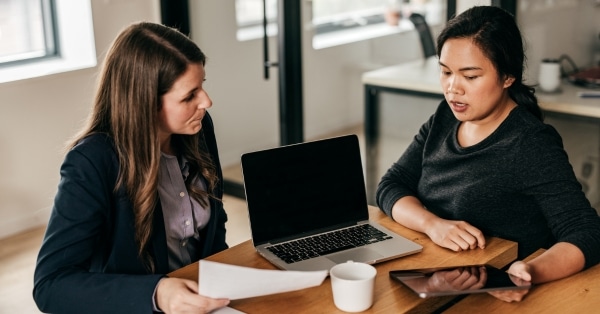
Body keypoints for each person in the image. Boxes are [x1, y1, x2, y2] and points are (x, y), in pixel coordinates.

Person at [376, 6, 600, 302]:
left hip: (492, 294)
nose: (453, 89)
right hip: (432, 273)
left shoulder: (531, 143)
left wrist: (530, 271)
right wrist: (432, 225)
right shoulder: (445, 117)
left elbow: (586, 232)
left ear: (508, 76)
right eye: (445, 72)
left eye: (469, 76)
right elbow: (391, 185)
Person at [33, 22, 231, 313]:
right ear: (145, 103)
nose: (206, 101)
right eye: (189, 95)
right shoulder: (92, 162)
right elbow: (51, 284)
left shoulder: (197, 129)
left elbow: (213, 225)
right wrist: (157, 293)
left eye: (202, 86)